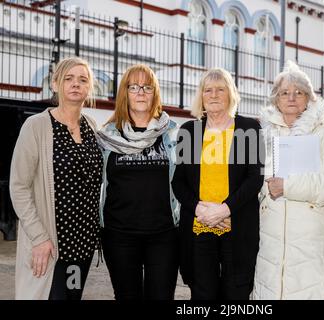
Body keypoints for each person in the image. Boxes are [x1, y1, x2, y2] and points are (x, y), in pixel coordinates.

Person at [252, 61, 324, 300]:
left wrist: (288, 186)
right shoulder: (262, 137)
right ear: (276, 99)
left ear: (310, 98)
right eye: (285, 92)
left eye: (299, 92)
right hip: (271, 248)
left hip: (315, 246)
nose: (291, 97)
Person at [10, 57, 102, 300]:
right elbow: (19, 187)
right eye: (68, 78)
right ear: (55, 83)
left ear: (89, 87)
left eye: (83, 80)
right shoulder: (36, 126)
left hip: (82, 245)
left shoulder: (91, 126)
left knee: (72, 296)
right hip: (50, 245)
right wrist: (39, 238)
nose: (75, 84)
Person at [171, 68, 264, 300]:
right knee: (203, 294)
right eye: (208, 90)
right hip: (200, 225)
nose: (213, 95)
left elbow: (255, 179)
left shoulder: (249, 129)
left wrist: (225, 209)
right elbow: (178, 182)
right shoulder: (189, 132)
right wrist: (200, 209)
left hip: (237, 224)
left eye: (220, 89)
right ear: (201, 96)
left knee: (237, 294)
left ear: (230, 94)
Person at [97, 64, 180, 300]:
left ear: (155, 93)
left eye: (147, 87)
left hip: (163, 235)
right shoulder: (107, 137)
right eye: (134, 87)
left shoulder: (172, 135)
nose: (141, 92)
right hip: (119, 235)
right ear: (125, 92)